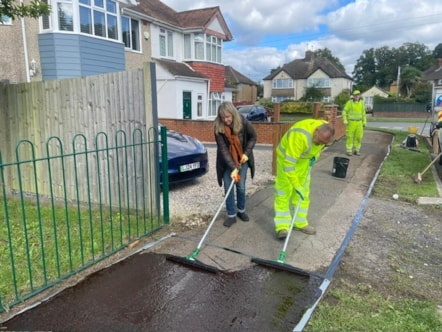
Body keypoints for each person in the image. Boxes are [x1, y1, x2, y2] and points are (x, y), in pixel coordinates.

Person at [274, 119, 335, 239]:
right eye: (319, 141)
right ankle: (282, 226)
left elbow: (316, 148)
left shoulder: (325, 128)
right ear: (316, 131)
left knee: (303, 194)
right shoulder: (300, 135)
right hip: (286, 162)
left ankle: (299, 222)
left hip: (304, 163)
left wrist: (314, 156)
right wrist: (296, 186)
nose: (319, 144)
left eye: (323, 143)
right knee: (283, 193)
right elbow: (289, 165)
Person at [214, 101, 257, 227]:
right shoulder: (218, 127)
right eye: (223, 118)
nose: (226, 120)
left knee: (241, 186)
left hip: (242, 159)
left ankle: (241, 210)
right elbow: (222, 149)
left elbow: (253, 137)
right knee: (228, 187)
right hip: (226, 161)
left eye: (228, 117)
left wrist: (246, 153)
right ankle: (231, 214)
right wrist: (232, 167)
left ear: (233, 114)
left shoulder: (243, 121)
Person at [342, 90, 367, 156]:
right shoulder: (349, 103)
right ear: (353, 96)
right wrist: (345, 120)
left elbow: (363, 113)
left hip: (359, 123)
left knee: (359, 137)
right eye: (355, 95)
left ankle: (356, 150)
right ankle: (349, 151)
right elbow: (344, 112)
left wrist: (364, 121)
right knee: (350, 137)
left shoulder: (362, 103)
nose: (356, 96)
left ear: (359, 95)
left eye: (358, 95)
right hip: (351, 122)